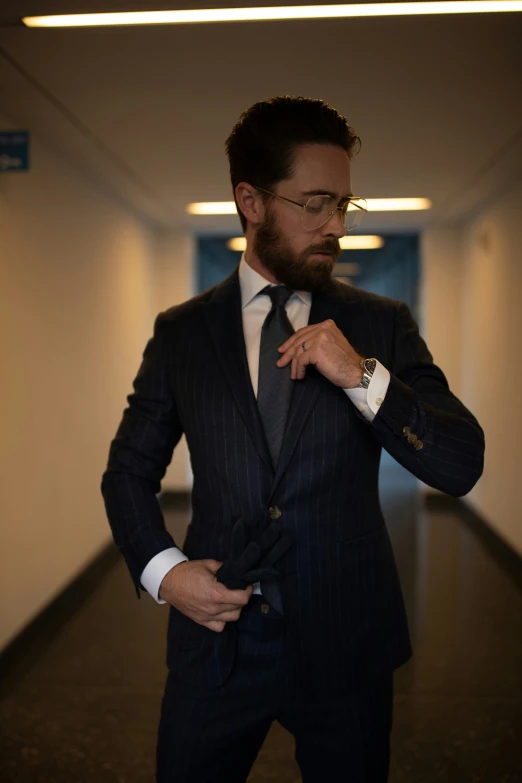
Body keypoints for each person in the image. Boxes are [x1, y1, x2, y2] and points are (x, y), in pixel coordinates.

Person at [101, 95, 485, 783]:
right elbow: (127, 471)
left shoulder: (381, 324)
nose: (335, 225)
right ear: (250, 200)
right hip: (217, 642)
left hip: (346, 643)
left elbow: (460, 462)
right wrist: (166, 573)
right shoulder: (183, 333)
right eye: (315, 203)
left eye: (344, 204)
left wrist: (362, 375)